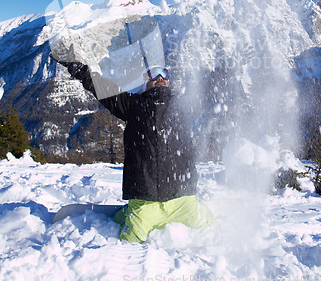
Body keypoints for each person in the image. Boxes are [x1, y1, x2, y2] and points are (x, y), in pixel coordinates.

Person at [53, 58, 213, 243]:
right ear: (146, 82)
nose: (160, 77)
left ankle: (129, 214)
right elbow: (101, 88)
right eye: (154, 75)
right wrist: (79, 69)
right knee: (129, 244)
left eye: (164, 74)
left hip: (183, 200)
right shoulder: (132, 105)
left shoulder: (183, 105)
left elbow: (211, 89)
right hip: (146, 200)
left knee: (212, 233)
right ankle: (131, 213)